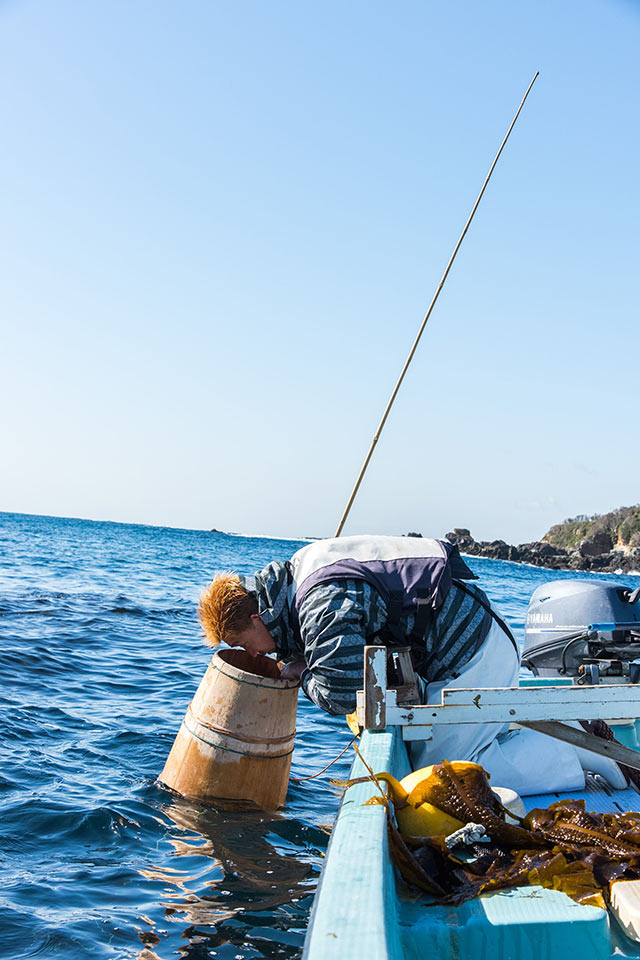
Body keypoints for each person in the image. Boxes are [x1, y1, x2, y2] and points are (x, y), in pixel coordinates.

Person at [198, 534, 626, 796]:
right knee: (446, 756)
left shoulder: (317, 604)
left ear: (257, 617)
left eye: (244, 644)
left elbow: (341, 692)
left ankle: (579, 751)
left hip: (471, 655)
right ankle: (569, 728)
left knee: (445, 779)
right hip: (476, 641)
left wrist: (302, 673)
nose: (254, 655)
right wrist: (300, 656)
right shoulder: (296, 578)